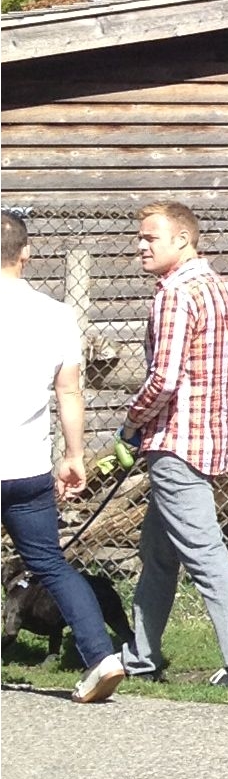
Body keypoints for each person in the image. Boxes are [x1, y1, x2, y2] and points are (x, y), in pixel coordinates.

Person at [121, 201, 228, 689]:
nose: (140, 246)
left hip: (176, 443)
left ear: (183, 239)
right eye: (140, 237)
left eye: (150, 238)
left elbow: (163, 379)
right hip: (208, 440)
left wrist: (130, 424)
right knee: (159, 554)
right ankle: (141, 657)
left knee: (206, 556)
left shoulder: (175, 294)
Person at [0, 212, 123, 702]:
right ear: (26, 255)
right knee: (51, 564)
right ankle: (101, 657)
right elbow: (70, 392)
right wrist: (74, 456)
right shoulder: (55, 315)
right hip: (26, 466)